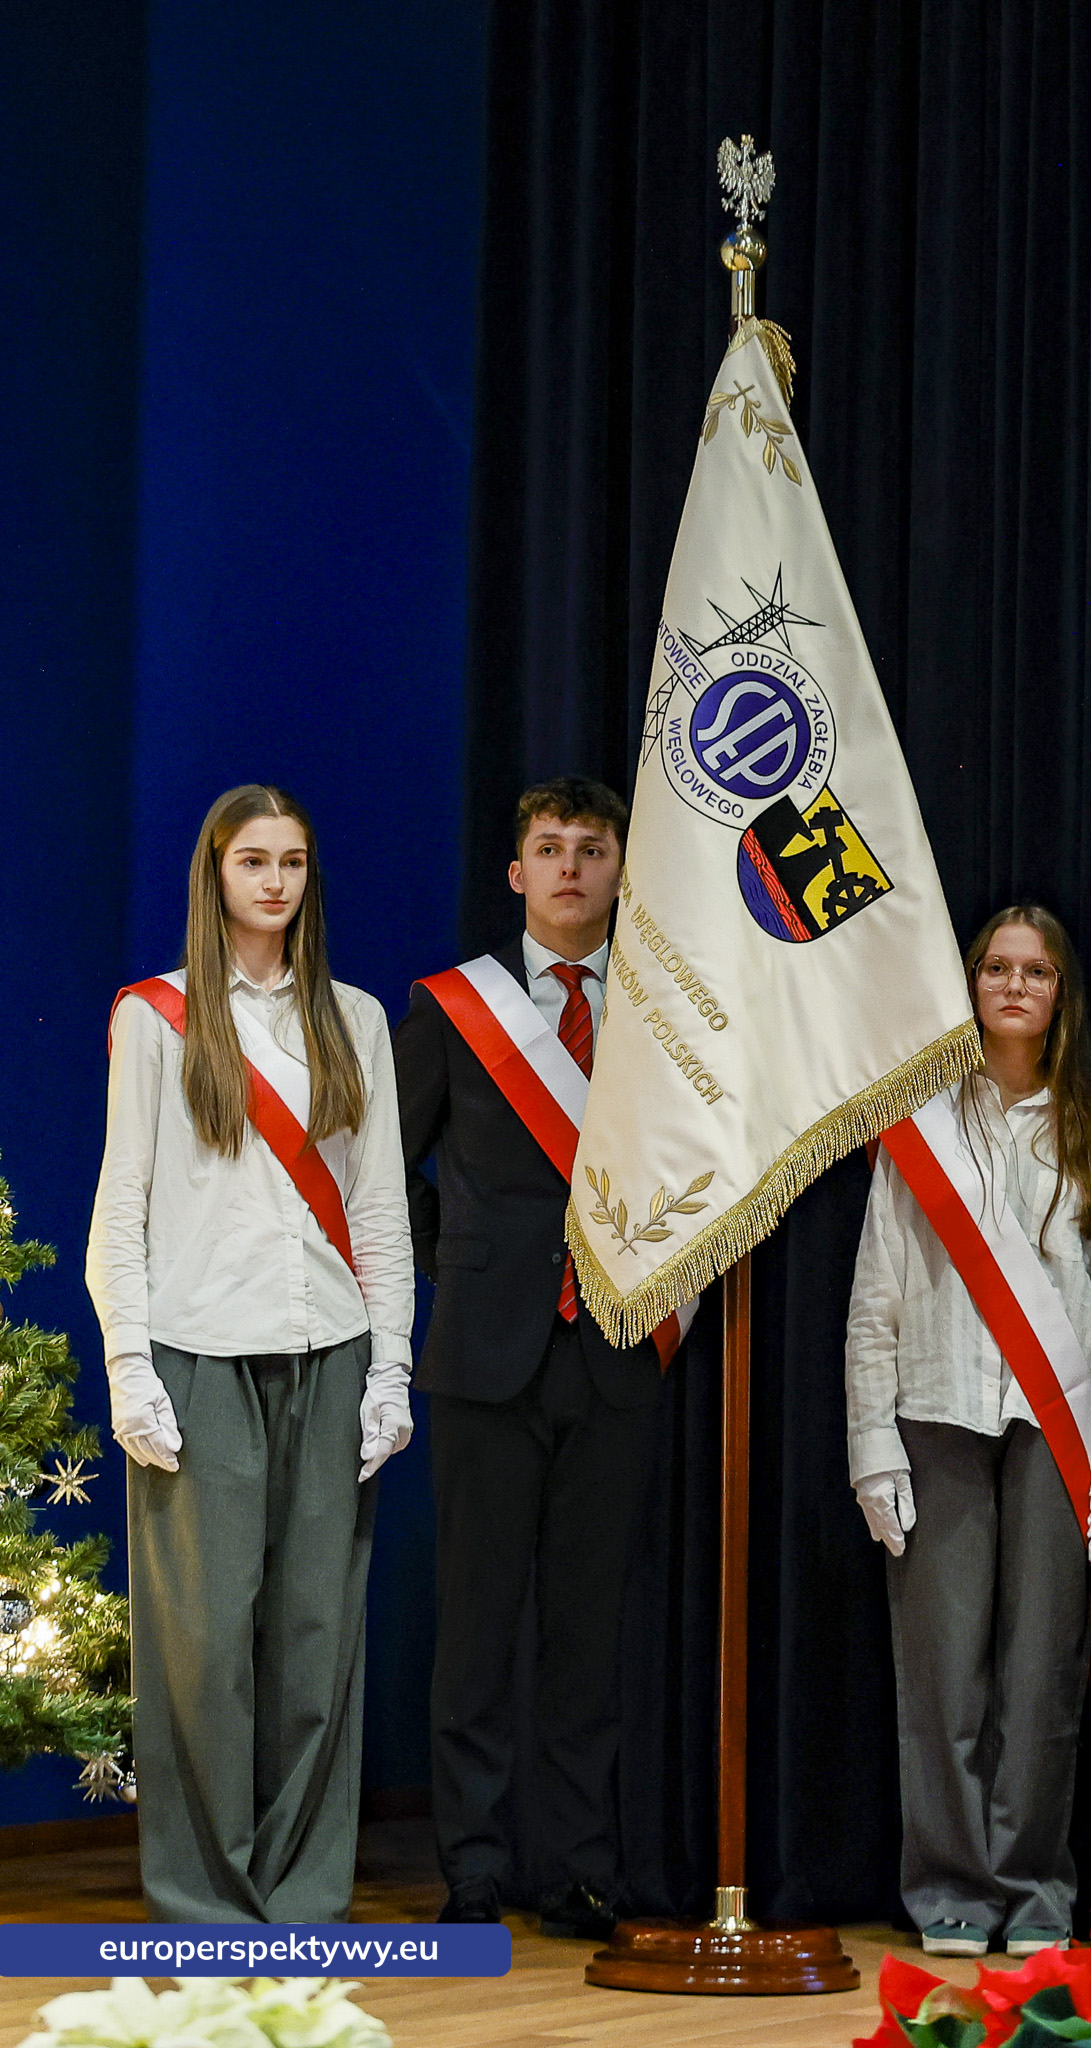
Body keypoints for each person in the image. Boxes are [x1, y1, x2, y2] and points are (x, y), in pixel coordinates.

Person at [86, 784, 413, 1923]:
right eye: (253, 860)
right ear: (215, 873)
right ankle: (204, 1902)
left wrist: (391, 1366)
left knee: (319, 1638)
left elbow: (379, 1210)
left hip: (331, 1349)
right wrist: (129, 1366)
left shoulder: (355, 1020)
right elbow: (120, 1207)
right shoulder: (157, 1018)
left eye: (294, 861)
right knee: (203, 1645)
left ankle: (303, 1893)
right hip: (198, 1355)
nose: (275, 881)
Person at [395, 776, 664, 1937]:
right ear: (516, 872)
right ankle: (472, 1864)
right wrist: (457, 1261)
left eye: (591, 848)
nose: (569, 867)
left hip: (614, 1348)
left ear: (619, 870)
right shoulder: (456, 1009)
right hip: (486, 1352)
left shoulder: (662, 1016)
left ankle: (579, 1864)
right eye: (549, 848)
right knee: (476, 1624)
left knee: (586, 1630)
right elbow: (384, 1168)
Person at [845, 904, 1091, 1959]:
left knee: (1043, 1672)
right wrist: (871, 1442)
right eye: (996, 968)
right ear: (970, 985)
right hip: (935, 1412)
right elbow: (876, 1293)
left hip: (1058, 1426)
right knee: (943, 1674)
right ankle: (952, 1891)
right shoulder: (918, 1124)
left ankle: (1035, 1891)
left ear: (1060, 995)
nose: (1013, 985)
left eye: (1035, 971)